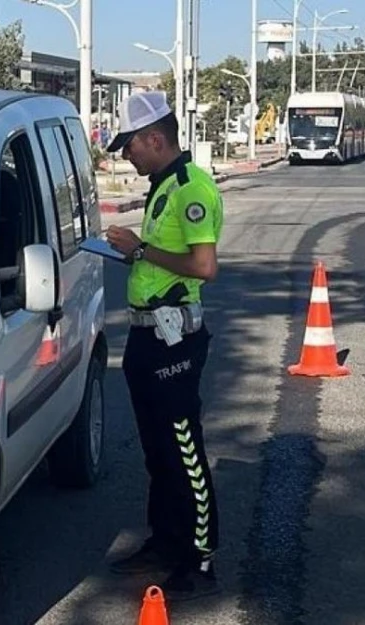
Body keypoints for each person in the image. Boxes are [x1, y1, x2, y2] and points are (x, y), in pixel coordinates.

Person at [103, 91, 225, 602]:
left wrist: (140, 249)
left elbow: (204, 267)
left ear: (155, 138)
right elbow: (160, 260)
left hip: (175, 340)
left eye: (129, 145)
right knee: (158, 452)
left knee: (184, 451)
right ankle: (163, 543)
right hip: (147, 336)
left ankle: (198, 555)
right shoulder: (161, 187)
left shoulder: (191, 188)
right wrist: (138, 256)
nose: (125, 155)